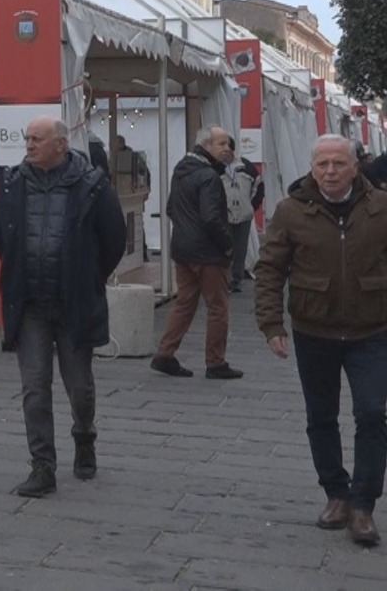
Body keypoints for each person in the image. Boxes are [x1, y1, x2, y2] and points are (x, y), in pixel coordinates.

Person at [255, 134, 387, 546]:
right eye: (322, 165)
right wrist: (271, 325)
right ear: (312, 169)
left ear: (355, 166)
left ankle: (364, 503)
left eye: (338, 164)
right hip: (314, 330)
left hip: (372, 330)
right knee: (321, 417)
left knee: (371, 414)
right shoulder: (292, 211)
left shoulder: (380, 207)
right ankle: (336, 493)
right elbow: (269, 270)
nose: (330, 172)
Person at [0, 117, 126, 498]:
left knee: (79, 386)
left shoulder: (92, 185)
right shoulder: (13, 184)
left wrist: (88, 277)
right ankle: (42, 466)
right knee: (34, 387)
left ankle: (84, 436)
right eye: (27, 138)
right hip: (31, 303)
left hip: (73, 303)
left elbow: (114, 239)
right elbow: (3, 237)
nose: (29, 145)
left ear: (61, 144)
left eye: (37, 139)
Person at [152, 126, 241, 380]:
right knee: (217, 307)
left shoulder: (181, 170)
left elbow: (171, 207)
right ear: (207, 146)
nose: (227, 149)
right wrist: (227, 244)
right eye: (222, 144)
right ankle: (215, 363)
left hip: (182, 248)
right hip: (207, 253)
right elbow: (211, 217)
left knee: (184, 303)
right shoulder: (209, 177)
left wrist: (185, 230)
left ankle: (164, 354)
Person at [226, 154, 265, 294]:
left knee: (240, 249)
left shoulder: (247, 166)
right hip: (224, 216)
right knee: (224, 248)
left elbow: (259, 186)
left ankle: (236, 280)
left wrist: (251, 207)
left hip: (243, 215)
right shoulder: (216, 167)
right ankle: (224, 279)